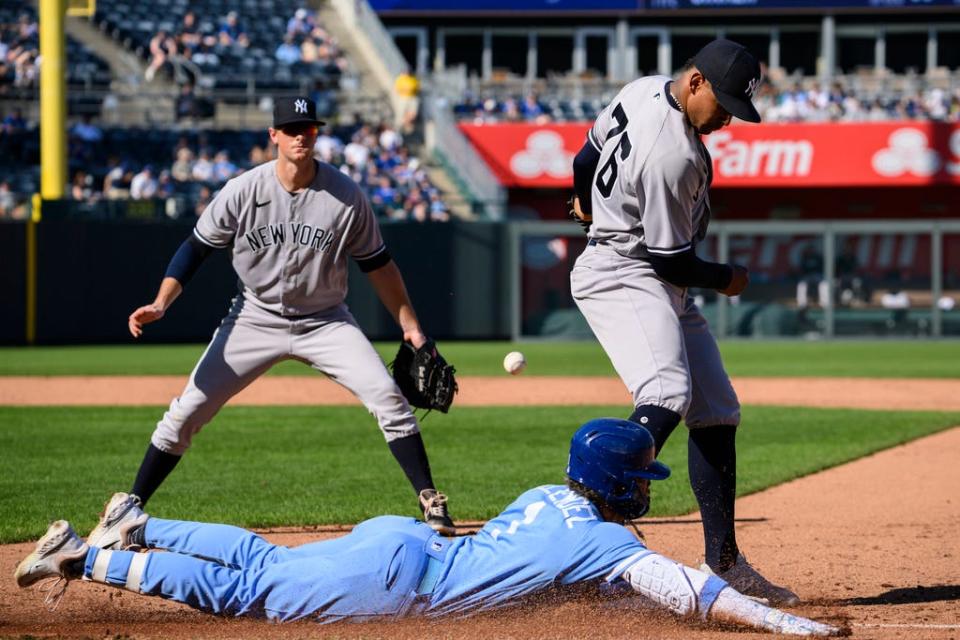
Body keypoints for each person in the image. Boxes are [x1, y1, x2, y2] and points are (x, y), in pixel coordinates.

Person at [14, 418, 840, 637]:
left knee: (268, 558)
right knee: (252, 596)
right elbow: (693, 591)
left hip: (398, 544)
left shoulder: (543, 496)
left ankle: (144, 519)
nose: (648, 497)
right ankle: (87, 560)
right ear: (620, 487)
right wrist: (788, 624)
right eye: (643, 484)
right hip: (395, 581)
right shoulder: (610, 544)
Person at [119, 97, 454, 534]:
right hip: (255, 318)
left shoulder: (346, 195)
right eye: (291, 128)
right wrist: (162, 302)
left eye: (308, 128)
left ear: (316, 134)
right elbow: (196, 248)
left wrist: (412, 329)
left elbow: (379, 265)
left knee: (389, 399)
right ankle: (130, 506)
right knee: (188, 410)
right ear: (273, 135)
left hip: (326, 321)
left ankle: (431, 499)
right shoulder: (243, 190)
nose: (301, 135)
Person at [567, 39, 799, 605]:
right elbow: (673, 260)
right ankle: (586, 552)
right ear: (694, 81)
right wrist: (728, 277)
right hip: (625, 270)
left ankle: (725, 564)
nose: (725, 118)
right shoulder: (675, 154)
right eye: (720, 104)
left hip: (646, 270)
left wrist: (582, 203)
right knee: (667, 391)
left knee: (716, 408)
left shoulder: (641, 88)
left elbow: (584, 159)